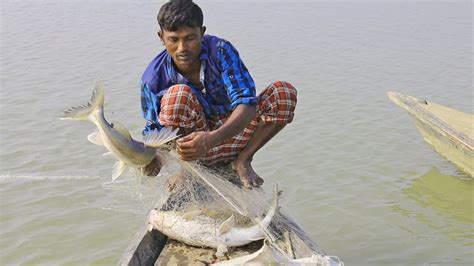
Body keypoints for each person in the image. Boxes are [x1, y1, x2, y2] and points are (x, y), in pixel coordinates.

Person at [141, 0, 297, 189]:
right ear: (161, 37)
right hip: (194, 149)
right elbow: (155, 133)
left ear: (202, 33)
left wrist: (211, 139)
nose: (182, 48)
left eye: (190, 38)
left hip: (231, 134)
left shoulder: (221, 51)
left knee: (283, 92)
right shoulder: (153, 78)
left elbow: (246, 103)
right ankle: (189, 171)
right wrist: (150, 160)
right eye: (173, 39)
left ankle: (242, 161)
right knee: (177, 96)